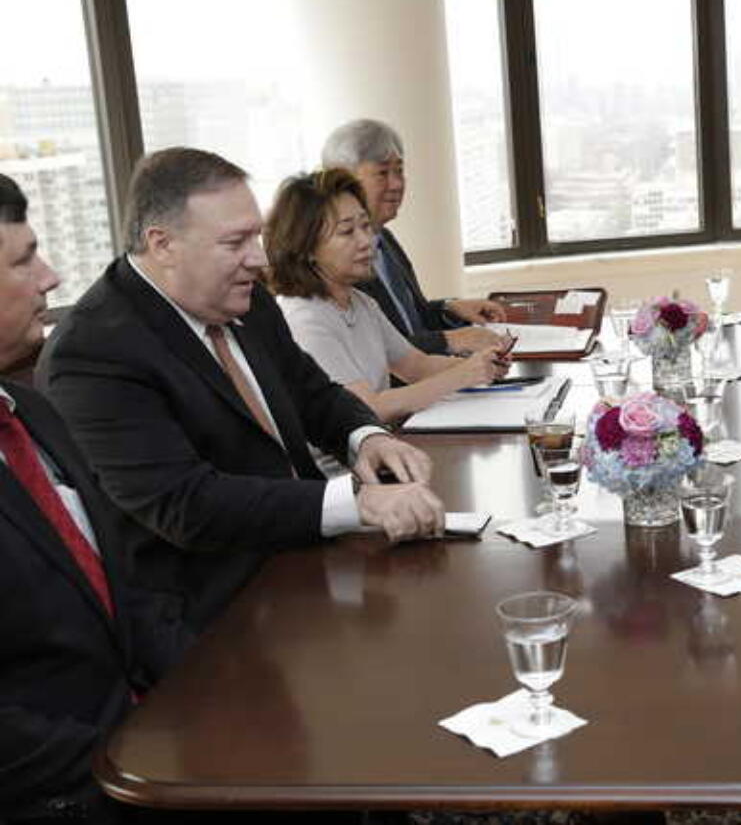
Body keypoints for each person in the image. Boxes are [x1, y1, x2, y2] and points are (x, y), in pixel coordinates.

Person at [36, 147, 446, 634]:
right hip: (218, 615)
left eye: (256, 235)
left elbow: (312, 392)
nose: (258, 258)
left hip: (309, 564)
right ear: (162, 244)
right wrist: (356, 502)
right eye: (236, 242)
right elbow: (186, 504)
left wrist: (367, 438)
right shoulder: (93, 353)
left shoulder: (247, 298)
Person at [0, 174, 184, 823]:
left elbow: (122, 589)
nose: (50, 277)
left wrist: (208, 696)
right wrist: (130, 757)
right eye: (24, 259)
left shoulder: (31, 412)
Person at [264, 169, 510, 428]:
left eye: (366, 226)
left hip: (386, 446)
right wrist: (461, 376)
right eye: (347, 232)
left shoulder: (360, 302)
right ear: (307, 248)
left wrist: (481, 366)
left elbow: (417, 365)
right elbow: (367, 408)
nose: (365, 242)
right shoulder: (304, 319)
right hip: (343, 465)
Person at [321, 118, 506, 356]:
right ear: (344, 179)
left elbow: (412, 319)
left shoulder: (385, 240)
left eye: (399, 170)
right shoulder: (339, 259)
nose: (397, 184)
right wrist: (449, 340)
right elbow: (379, 352)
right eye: (383, 173)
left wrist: (450, 309)